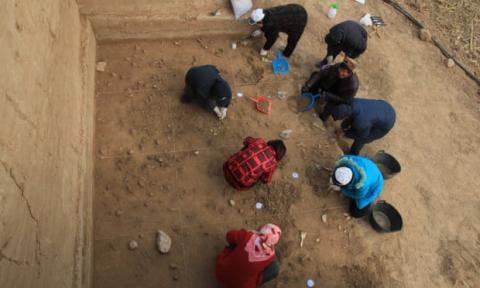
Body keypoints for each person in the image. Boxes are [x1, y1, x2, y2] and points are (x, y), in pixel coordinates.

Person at [215, 224, 282, 288]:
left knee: (238, 243)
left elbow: (229, 235)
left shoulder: (247, 236)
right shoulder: (270, 256)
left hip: (221, 272)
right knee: (274, 268)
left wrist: (248, 232)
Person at [331, 98, 396, 155]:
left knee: (362, 139)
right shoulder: (353, 102)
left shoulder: (361, 123)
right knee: (359, 122)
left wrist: (345, 134)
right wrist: (343, 127)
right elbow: (350, 117)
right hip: (384, 106)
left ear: (343, 117)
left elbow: (362, 135)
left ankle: (352, 154)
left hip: (387, 122)